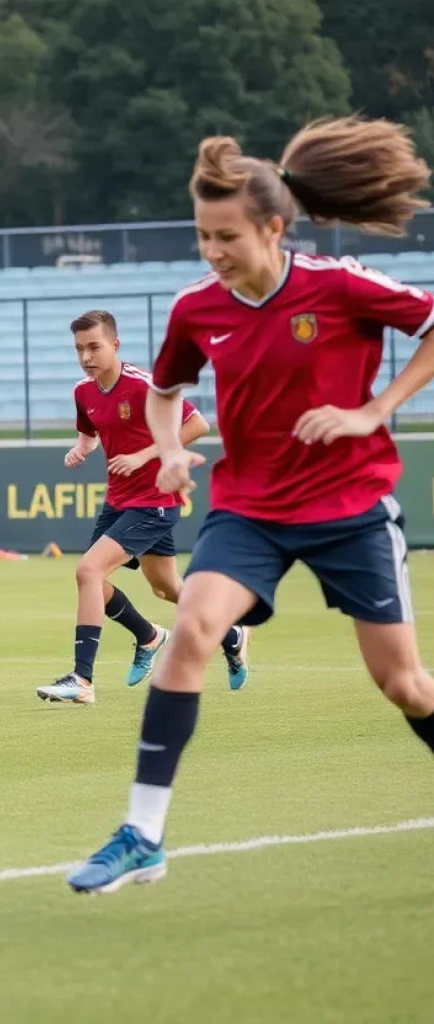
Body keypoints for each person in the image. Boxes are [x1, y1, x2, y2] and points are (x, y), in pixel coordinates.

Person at [68, 115, 434, 895]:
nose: (212, 252)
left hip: (351, 508)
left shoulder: (340, 285)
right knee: (192, 631)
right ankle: (143, 834)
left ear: (272, 226)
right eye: (202, 236)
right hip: (251, 511)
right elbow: (165, 391)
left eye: (226, 236)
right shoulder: (198, 308)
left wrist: (374, 412)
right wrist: (168, 450)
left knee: (404, 685)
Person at [36, 311, 249, 706]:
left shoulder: (145, 385)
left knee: (87, 571)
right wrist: (80, 450)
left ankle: (82, 679)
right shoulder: (84, 391)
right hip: (120, 501)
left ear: (115, 345)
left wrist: (144, 454)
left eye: (94, 347)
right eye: (80, 349)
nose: (86, 356)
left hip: (156, 501)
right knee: (164, 589)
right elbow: (89, 435)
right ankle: (220, 634)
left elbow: (198, 425)